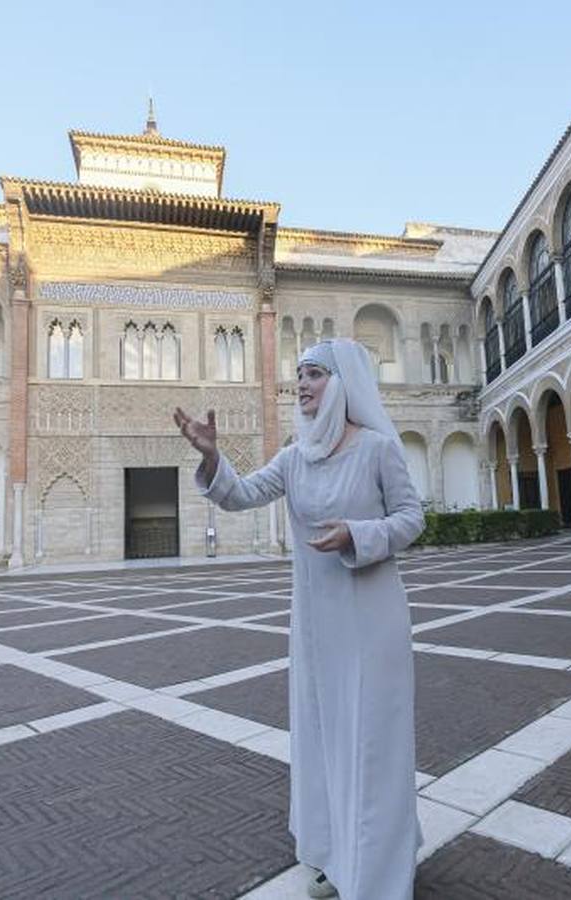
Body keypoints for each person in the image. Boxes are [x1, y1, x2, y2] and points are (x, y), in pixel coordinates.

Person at [173, 338, 424, 900]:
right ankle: (338, 856)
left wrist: (359, 534)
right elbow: (238, 495)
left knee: (372, 742)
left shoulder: (378, 449)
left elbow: (411, 520)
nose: (302, 387)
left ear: (340, 384)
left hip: (374, 620)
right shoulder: (294, 458)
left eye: (312, 375)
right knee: (326, 739)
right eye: (297, 378)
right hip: (317, 627)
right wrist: (212, 456)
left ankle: (377, 872)